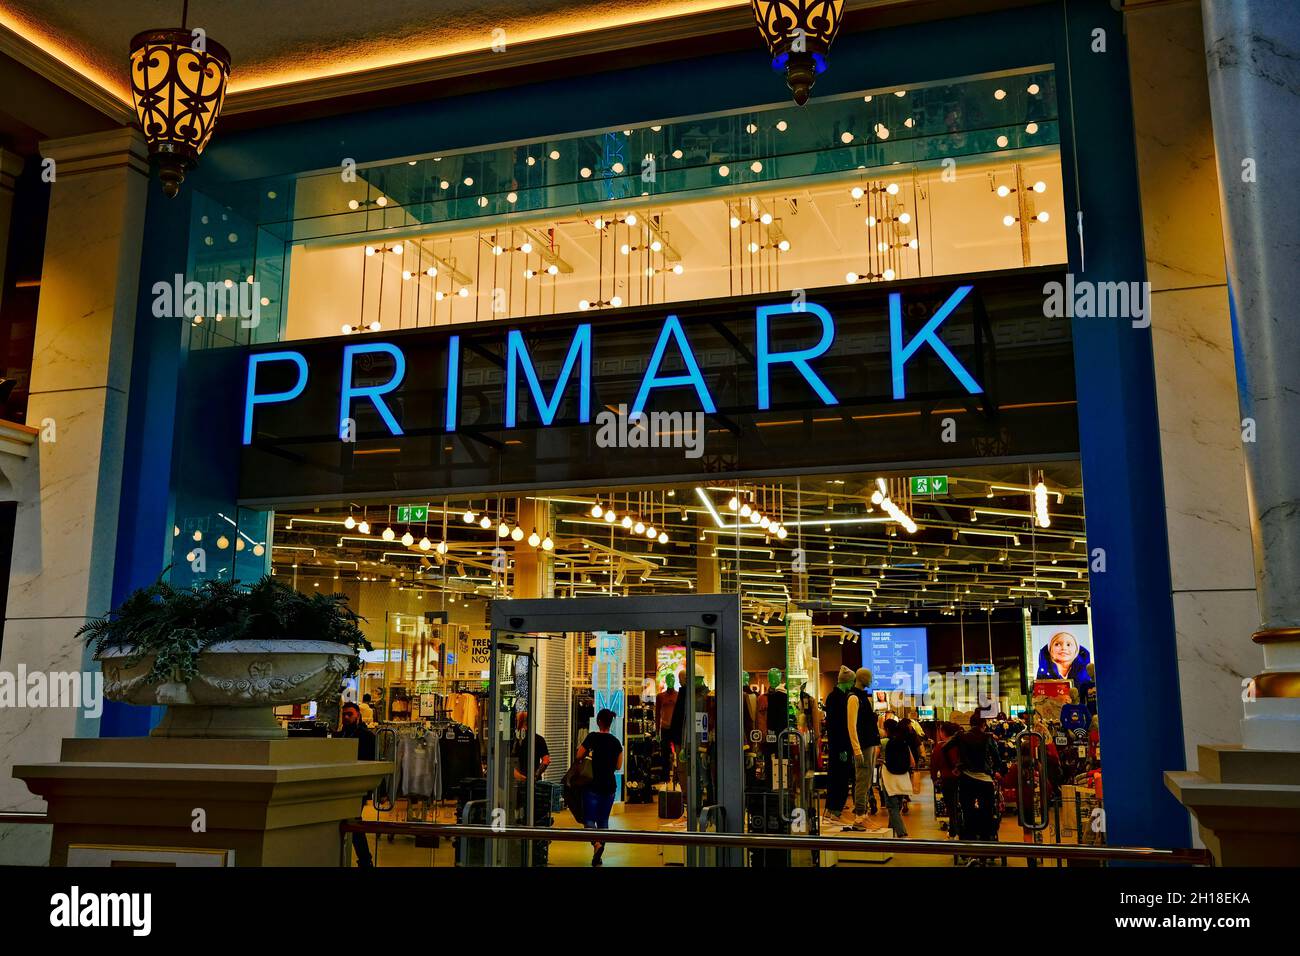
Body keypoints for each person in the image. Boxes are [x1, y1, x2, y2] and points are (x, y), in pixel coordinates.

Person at [943, 713, 1006, 841]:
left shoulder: (961, 736)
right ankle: (986, 843)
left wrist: (954, 767)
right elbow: (997, 760)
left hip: (966, 779)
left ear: (970, 724)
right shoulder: (988, 738)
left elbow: (945, 748)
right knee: (987, 813)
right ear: (983, 724)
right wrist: (995, 771)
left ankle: (968, 843)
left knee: (968, 812)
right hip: (985, 781)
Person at [574, 708, 623, 865]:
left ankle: (596, 844)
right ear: (610, 723)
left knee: (588, 819)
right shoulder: (616, 743)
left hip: (592, 785)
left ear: (598, 721)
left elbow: (579, 755)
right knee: (603, 821)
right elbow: (618, 765)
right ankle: (599, 853)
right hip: (609, 787)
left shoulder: (592, 737)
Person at [337, 702, 377, 867]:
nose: (346, 717)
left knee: (352, 820)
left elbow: (370, 763)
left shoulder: (367, 737)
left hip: (357, 787)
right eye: (344, 714)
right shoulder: (340, 736)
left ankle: (365, 859)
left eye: (350, 714)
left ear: (358, 715)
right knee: (349, 821)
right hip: (342, 786)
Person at [822, 666, 855, 829]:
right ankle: (834, 813)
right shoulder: (839, 699)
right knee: (840, 779)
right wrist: (843, 747)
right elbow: (838, 726)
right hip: (840, 746)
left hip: (838, 745)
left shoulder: (833, 697)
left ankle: (831, 812)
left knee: (835, 778)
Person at [846, 667, 879, 823]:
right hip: (863, 744)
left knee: (867, 780)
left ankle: (863, 812)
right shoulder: (853, 698)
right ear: (861, 678)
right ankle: (860, 813)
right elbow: (851, 726)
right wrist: (857, 749)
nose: (871, 680)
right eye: (868, 677)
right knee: (862, 778)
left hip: (869, 743)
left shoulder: (862, 697)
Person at [879, 718, 916, 838]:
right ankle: (890, 832)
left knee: (892, 807)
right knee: (897, 806)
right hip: (902, 777)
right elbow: (912, 763)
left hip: (889, 776)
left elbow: (876, 756)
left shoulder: (885, 742)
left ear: (887, 729)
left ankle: (902, 832)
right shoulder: (904, 742)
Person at [931, 721, 962, 834]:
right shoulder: (960, 745)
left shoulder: (939, 747)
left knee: (951, 805)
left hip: (947, 780)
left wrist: (934, 779)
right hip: (962, 778)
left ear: (943, 732)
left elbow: (934, 766)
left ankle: (954, 828)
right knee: (963, 803)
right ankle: (963, 827)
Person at [511, 711, 550, 782]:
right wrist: (535, 775)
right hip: (532, 782)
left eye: (516, 721)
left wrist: (519, 776)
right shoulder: (539, 739)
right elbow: (546, 760)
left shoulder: (515, 740)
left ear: (520, 722)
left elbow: (508, 761)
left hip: (516, 781)